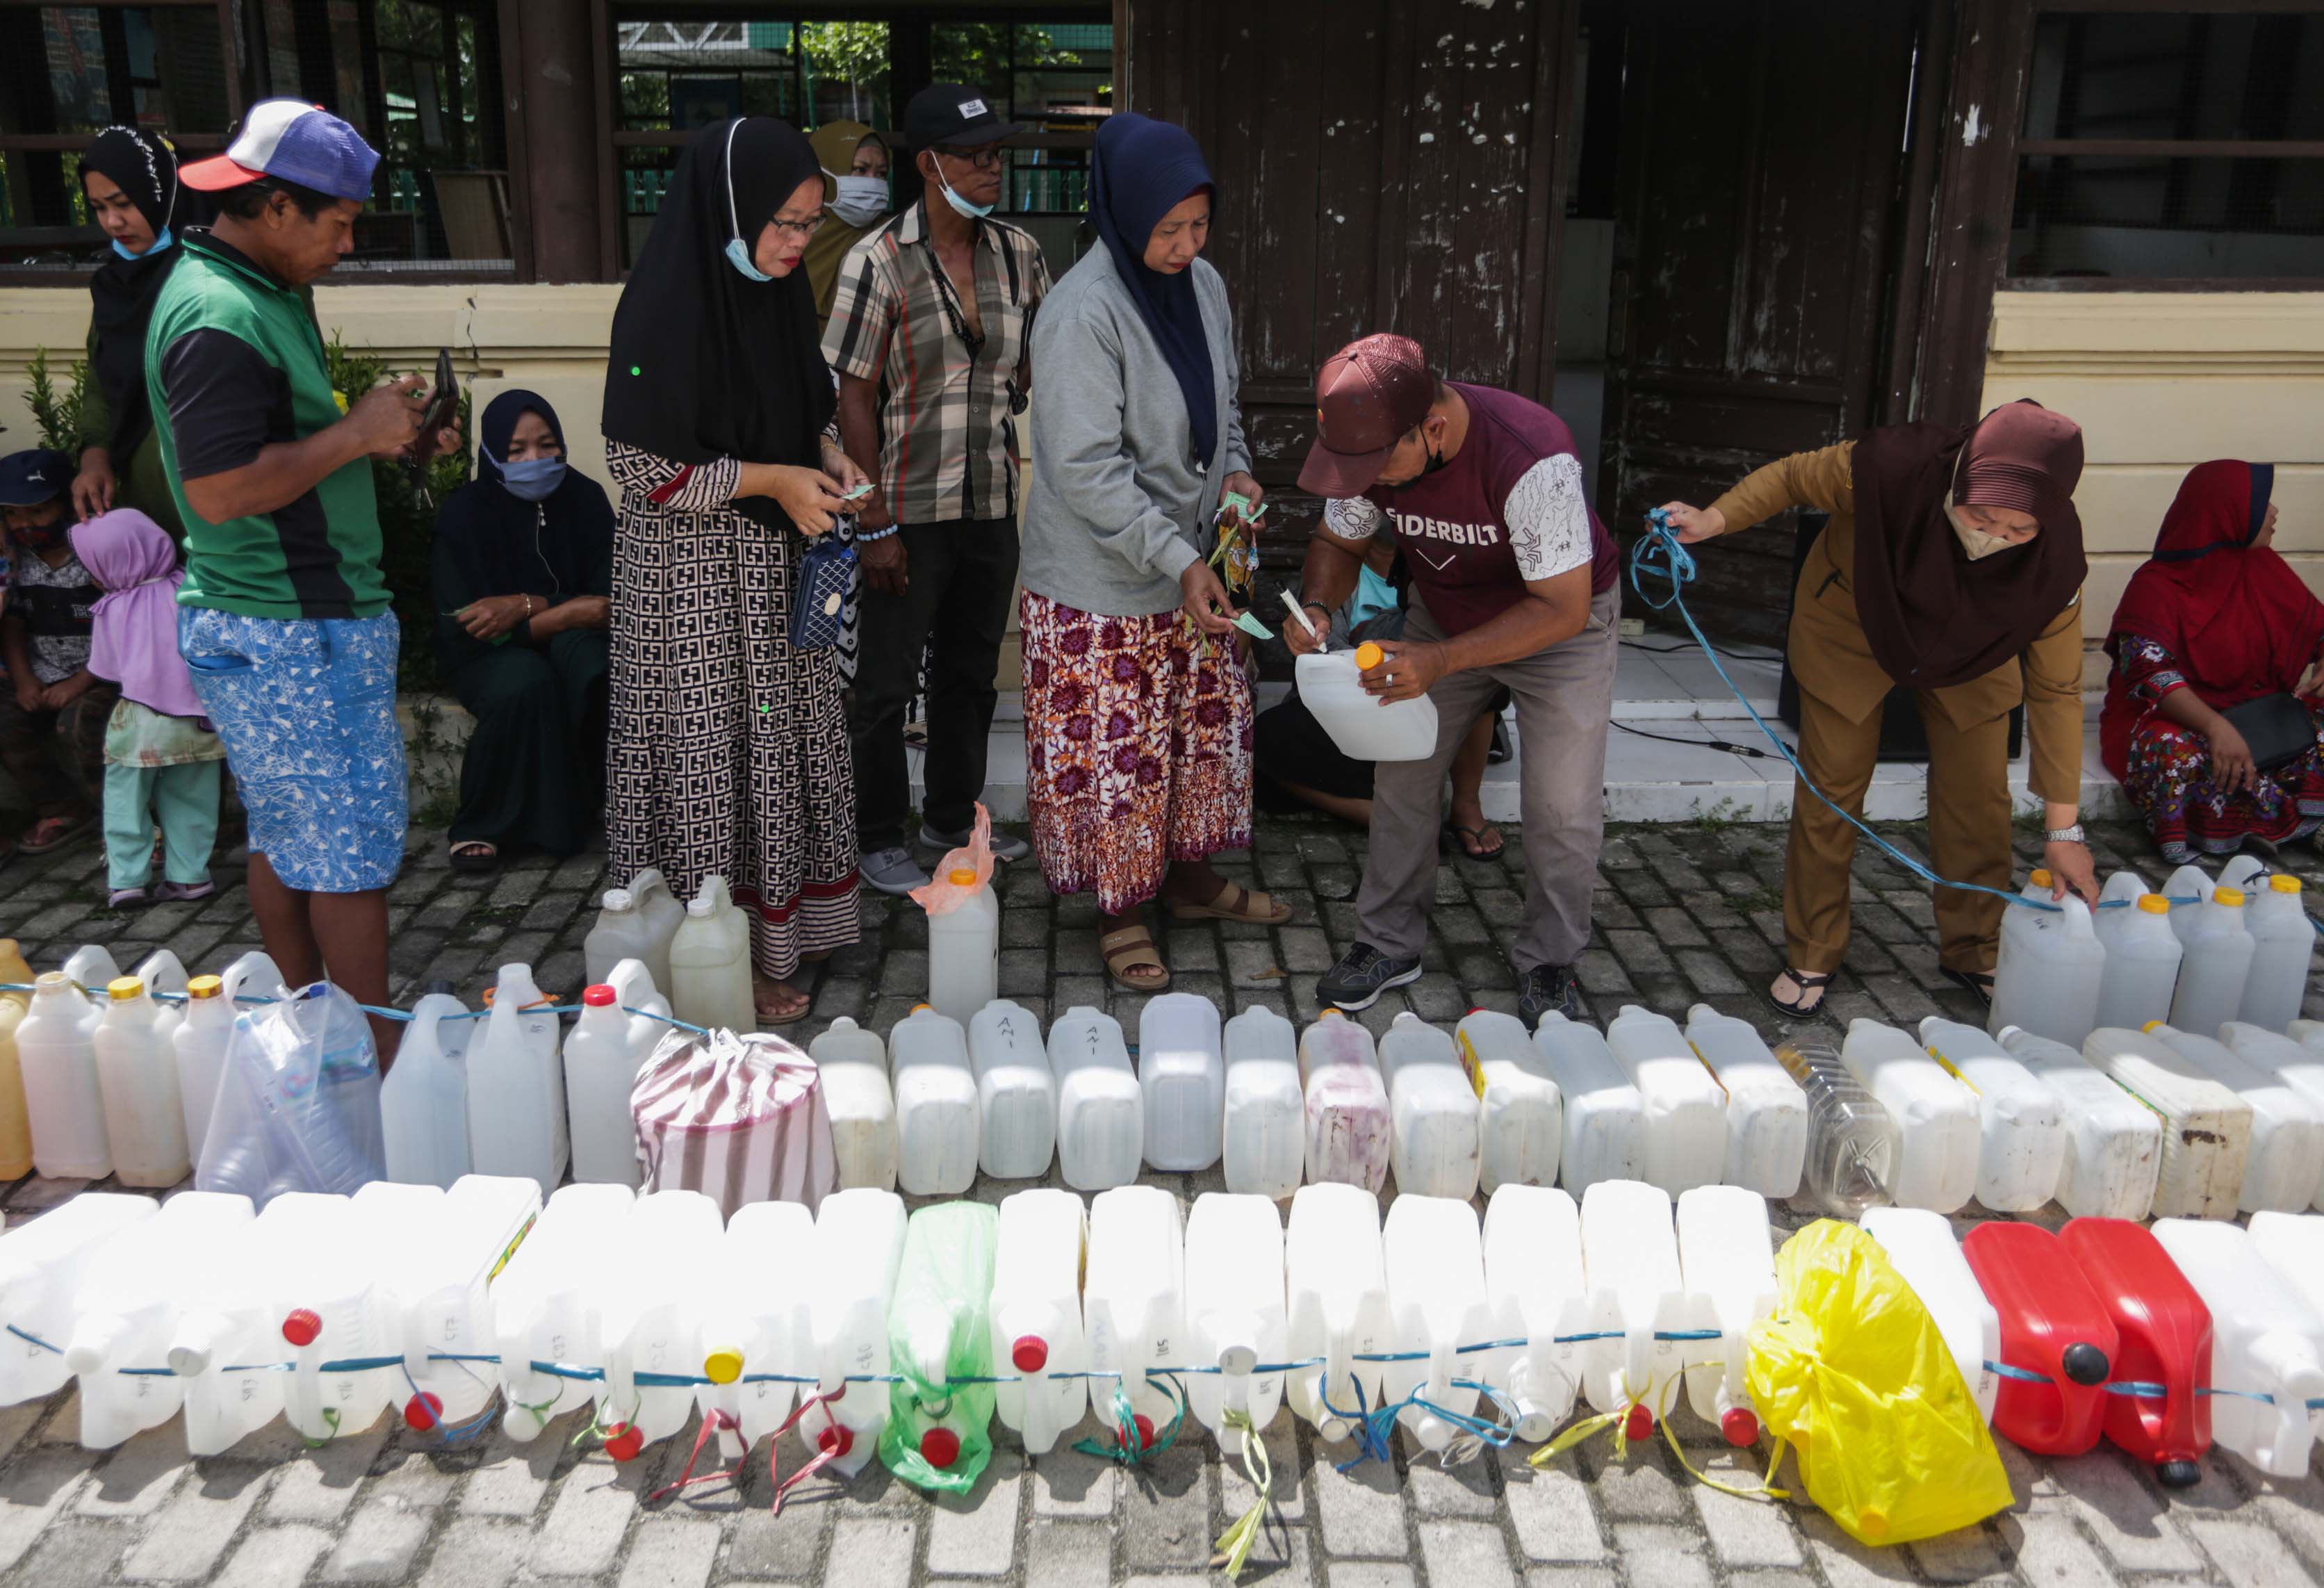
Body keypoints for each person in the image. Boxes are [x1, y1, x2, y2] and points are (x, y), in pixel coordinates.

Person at [148, 99, 459, 1061]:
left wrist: (383, 438)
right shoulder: (218, 313)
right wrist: (356, 433)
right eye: (340, 220)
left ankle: (321, 1029)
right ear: (276, 206)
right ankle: (373, 1063)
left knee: (289, 837)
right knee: (348, 855)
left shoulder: (258, 288)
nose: (349, 240)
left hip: (285, 619)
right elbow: (221, 489)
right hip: (292, 625)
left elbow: (280, 446)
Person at [1659, 400, 2095, 1016]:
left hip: (1976, 642)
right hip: (1854, 618)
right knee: (1831, 789)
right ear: (1959, 478)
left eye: (2018, 530)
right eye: (1980, 515)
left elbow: (2057, 690)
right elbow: (1788, 478)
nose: (1994, 535)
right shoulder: (1887, 466)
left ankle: (1975, 946)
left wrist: (2063, 830)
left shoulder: (2057, 564)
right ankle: (1813, 946)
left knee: (1978, 797)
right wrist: (1715, 519)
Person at [601, 115, 869, 1026]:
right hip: (692, 586)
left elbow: (797, 406)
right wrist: (774, 480)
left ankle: (783, 930)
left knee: (779, 736)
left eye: (808, 223)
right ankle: (710, 949)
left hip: (777, 563)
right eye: (781, 223)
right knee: (709, 754)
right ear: (727, 207)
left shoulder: (779, 296)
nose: (797, 243)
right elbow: (639, 463)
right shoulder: (664, 305)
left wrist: (825, 458)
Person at [1018, 112, 1282, 992]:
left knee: (1194, 734)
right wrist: (1177, 556)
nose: (1184, 244)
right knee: (1115, 751)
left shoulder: (1204, 286)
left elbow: (1226, 405)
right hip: (1103, 584)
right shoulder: (1083, 310)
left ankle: (1191, 877)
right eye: (1166, 227)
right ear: (1124, 214)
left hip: (1191, 571)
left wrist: (1236, 475)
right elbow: (1086, 468)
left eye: (1198, 224)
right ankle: (1119, 907)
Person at [1292, 334, 1618, 1025]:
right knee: (1403, 780)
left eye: (1380, 465)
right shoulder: (1368, 451)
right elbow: (1337, 542)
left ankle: (1549, 959)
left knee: (1561, 807)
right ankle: (1387, 943)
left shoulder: (1530, 455)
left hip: (1561, 628)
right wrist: (1318, 605)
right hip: (1442, 615)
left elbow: (1562, 606)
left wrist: (1439, 661)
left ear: (1431, 428)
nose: (1367, 481)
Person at [824, 85, 1051, 896]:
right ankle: (876, 833)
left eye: (997, 153)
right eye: (975, 155)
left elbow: (1030, 365)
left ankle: (951, 821)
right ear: (929, 164)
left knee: (968, 673)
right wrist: (872, 519)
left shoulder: (1021, 253)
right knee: (884, 684)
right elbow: (850, 393)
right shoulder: (875, 262)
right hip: (903, 511)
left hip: (989, 500)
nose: (993, 167)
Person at [2102, 459, 2324, 863]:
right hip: (2183, 718)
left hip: (2261, 713)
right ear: (2228, 513)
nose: (2273, 512)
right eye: (2261, 503)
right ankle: (2258, 825)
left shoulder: (2263, 568)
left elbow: (2318, 628)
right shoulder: (2157, 585)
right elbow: (2152, 675)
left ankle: (2289, 822)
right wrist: (2216, 726)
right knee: (2175, 755)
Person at [431, 390, 614, 873]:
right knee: (526, 682)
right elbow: (470, 627)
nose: (535, 459)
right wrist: (565, 613)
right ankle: (482, 822)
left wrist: (528, 607)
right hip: (486, 654)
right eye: (516, 451)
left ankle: (592, 801)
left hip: (575, 639)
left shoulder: (586, 498)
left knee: (597, 667)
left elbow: (609, 604)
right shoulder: (465, 514)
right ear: (491, 454)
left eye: (547, 444)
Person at [1256, 534, 1507, 858]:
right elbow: (1324, 667)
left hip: (1430, 714)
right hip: (1357, 714)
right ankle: (1379, 816)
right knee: (1262, 740)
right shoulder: (1334, 575)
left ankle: (1466, 805)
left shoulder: (1438, 569)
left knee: (1484, 675)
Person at [70, 508, 224, 908]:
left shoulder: (113, 607)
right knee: (193, 797)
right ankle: (190, 878)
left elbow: (107, 669)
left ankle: (127, 880)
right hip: (197, 717)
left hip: (139, 720)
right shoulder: (190, 586)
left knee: (125, 799)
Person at [72, 126, 197, 538]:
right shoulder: (112, 286)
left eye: (123, 203)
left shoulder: (208, 276)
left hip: (217, 508)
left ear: (160, 192)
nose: (112, 222)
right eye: (98, 207)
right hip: (143, 511)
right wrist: (94, 456)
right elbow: (100, 379)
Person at [0, 448, 117, 860]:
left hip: (103, 676)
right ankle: (62, 808)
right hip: (44, 675)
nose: (24, 526)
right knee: (7, 724)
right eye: (12, 515)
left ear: (68, 503)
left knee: (79, 726)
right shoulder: (17, 563)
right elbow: (13, 624)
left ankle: (127, 818)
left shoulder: (94, 554)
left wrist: (80, 682)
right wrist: (25, 679)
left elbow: (120, 626)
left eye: (37, 512)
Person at [801, 120, 891, 328]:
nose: (873, 182)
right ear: (824, 170)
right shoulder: (788, 239)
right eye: (860, 169)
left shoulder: (894, 240)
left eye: (881, 174)